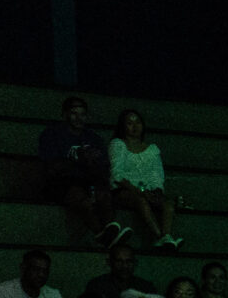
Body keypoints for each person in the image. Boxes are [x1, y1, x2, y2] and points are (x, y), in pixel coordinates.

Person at [35, 96, 117, 246]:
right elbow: (52, 167)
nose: (79, 118)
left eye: (82, 114)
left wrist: (93, 165)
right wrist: (80, 159)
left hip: (89, 180)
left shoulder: (94, 138)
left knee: (104, 195)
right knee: (79, 195)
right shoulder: (51, 135)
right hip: (60, 183)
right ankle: (101, 233)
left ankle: (110, 230)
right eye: (74, 113)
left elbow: (103, 166)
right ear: (64, 114)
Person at [108, 109, 179, 248]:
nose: (134, 127)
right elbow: (117, 175)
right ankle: (159, 236)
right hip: (125, 190)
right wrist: (140, 191)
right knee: (141, 201)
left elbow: (157, 176)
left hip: (148, 191)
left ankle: (167, 235)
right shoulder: (118, 145)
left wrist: (156, 191)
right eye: (130, 123)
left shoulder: (152, 149)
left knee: (168, 203)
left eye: (138, 122)